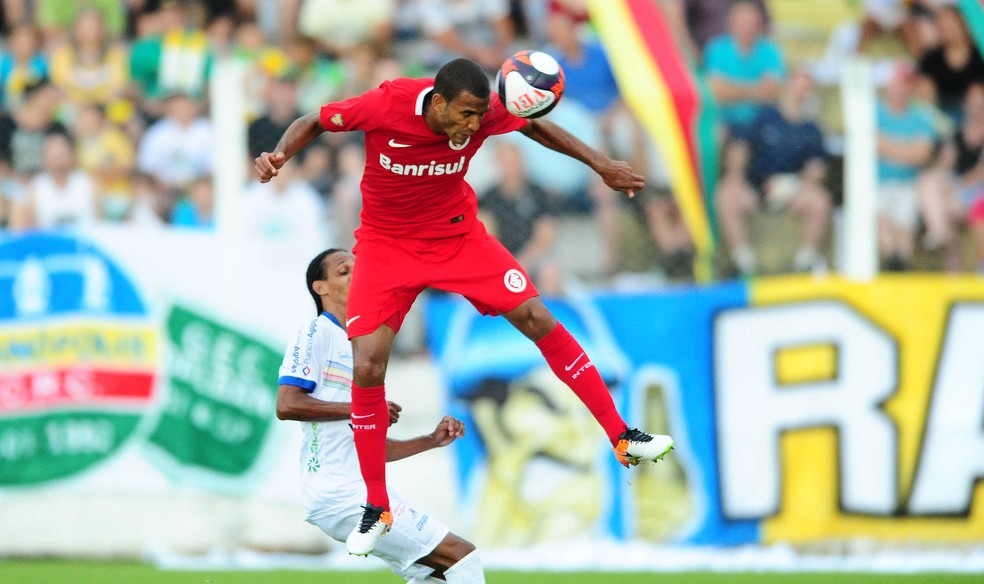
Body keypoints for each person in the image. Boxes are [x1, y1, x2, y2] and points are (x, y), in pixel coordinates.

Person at [254, 58, 674, 556]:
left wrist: (600, 164)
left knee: (538, 316)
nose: (476, 127)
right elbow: (315, 121)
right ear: (437, 103)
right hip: (387, 248)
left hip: (457, 237)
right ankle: (376, 505)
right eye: (467, 116)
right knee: (367, 363)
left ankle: (622, 436)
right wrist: (280, 154)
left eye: (480, 116)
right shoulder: (386, 103)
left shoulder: (486, 112)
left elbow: (536, 126)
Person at [277, 248, 485, 583]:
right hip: (343, 496)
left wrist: (430, 440)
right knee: (463, 557)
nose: (356, 275)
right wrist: (364, 407)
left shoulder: (361, 344)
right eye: (344, 271)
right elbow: (286, 405)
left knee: (435, 573)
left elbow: (368, 447)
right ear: (321, 288)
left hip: (355, 492)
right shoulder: (316, 332)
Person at [714, 69, 832, 275]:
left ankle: (804, 263)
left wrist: (793, 185)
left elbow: (817, 168)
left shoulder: (812, 130)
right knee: (726, 193)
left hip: (791, 192)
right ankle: (743, 262)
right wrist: (736, 176)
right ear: (787, 86)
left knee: (820, 201)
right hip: (756, 188)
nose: (799, 92)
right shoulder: (765, 115)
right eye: (797, 85)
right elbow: (740, 148)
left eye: (805, 88)